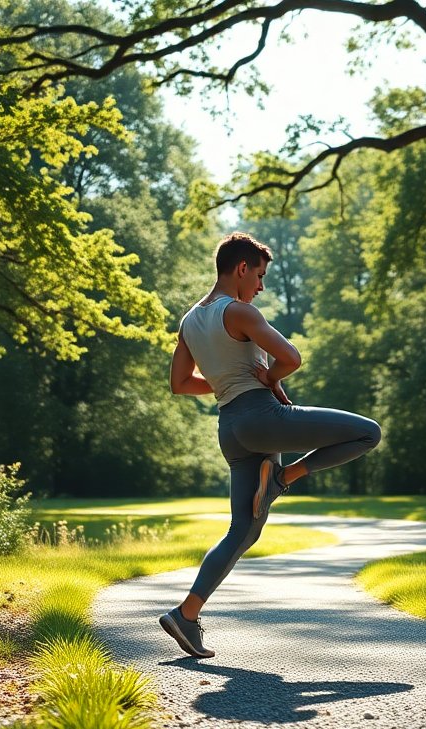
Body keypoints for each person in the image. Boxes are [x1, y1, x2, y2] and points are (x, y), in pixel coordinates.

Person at [161, 232, 382, 658]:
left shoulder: (189, 321)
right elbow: (291, 358)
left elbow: (179, 384)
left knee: (243, 530)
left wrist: (227, 382)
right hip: (264, 418)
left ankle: (186, 616)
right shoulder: (240, 311)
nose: (261, 286)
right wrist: (268, 378)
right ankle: (284, 477)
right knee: (367, 432)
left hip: (231, 429)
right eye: (259, 276)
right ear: (241, 269)